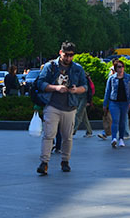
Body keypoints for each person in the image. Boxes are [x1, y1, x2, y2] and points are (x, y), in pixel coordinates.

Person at [36, 41, 87, 175]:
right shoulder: (50, 66)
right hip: (52, 105)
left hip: (70, 107)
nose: (68, 58)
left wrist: (76, 90)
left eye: (71, 55)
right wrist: (56, 88)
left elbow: (85, 86)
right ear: (60, 53)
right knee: (49, 135)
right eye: (66, 55)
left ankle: (65, 161)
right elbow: (40, 83)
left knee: (67, 137)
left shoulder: (77, 68)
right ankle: (44, 162)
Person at [104, 59, 130, 148]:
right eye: (119, 67)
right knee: (115, 120)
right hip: (114, 102)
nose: (121, 69)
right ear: (115, 68)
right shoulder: (112, 78)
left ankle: (121, 138)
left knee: (122, 121)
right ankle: (114, 138)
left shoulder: (128, 78)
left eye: (122, 67)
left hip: (125, 103)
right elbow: (108, 91)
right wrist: (105, 104)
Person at [73, 71, 94, 138]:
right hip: (79, 97)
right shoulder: (77, 78)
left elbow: (89, 90)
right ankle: (89, 131)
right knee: (84, 116)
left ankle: (73, 131)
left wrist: (89, 101)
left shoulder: (85, 79)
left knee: (78, 113)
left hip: (84, 98)